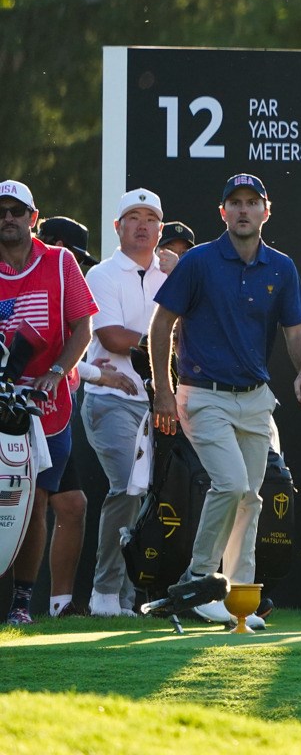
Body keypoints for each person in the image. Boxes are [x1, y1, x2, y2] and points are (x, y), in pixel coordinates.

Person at [149, 173, 301, 626]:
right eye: (235, 203)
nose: (244, 210)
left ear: (266, 211)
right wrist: (164, 391)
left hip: (256, 399)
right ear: (223, 212)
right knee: (230, 485)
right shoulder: (198, 262)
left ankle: (239, 599)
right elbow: (161, 324)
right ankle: (198, 582)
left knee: (251, 498)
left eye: (251, 202)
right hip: (203, 395)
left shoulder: (281, 267)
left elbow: (295, 330)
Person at [0, 180, 98, 625]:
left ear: (33, 217)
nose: (8, 218)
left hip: (47, 407)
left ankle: (22, 603)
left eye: (17, 211)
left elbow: (83, 329)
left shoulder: (60, 262)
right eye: (1, 211)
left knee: (34, 502)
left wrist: (56, 372)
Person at [34, 216, 137, 618]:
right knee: (30, 505)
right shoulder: (35, 281)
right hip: (22, 416)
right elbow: (41, 356)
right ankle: (22, 601)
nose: (78, 267)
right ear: (59, 247)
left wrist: (94, 373)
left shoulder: (65, 287)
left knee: (72, 504)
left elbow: (65, 360)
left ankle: (59, 604)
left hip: (53, 416)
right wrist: (98, 374)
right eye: (76, 258)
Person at [82, 189, 171, 618]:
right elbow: (113, 336)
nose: (142, 225)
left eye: (150, 218)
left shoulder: (170, 275)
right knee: (128, 488)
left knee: (150, 497)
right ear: (118, 227)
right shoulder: (102, 274)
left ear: (160, 229)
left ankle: (129, 597)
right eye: (133, 217)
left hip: (159, 405)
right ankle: (104, 591)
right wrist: (165, 341)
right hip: (111, 399)